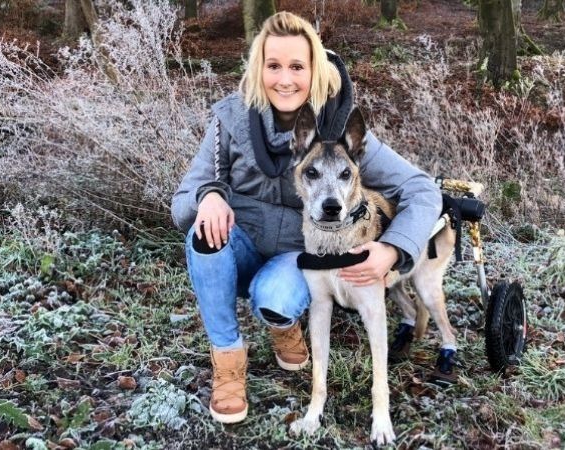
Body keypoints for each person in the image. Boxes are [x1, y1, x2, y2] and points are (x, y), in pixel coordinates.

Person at [171, 11, 443, 424]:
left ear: (314, 70)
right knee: (202, 235)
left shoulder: (345, 134)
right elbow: (181, 203)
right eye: (273, 65)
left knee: (276, 299)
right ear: (257, 67)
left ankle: (284, 323)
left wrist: (393, 248)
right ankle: (227, 359)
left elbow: (423, 189)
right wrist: (207, 196)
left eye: (297, 66)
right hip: (241, 249)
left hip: (298, 261)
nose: (285, 79)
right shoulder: (228, 123)